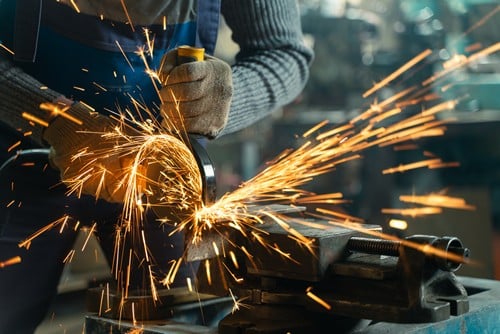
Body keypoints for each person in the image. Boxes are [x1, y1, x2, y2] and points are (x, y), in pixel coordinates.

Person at [0, 0, 313, 332]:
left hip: (163, 179)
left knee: (179, 322)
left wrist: (224, 99)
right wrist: (50, 115)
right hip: (22, 161)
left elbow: (283, 53)